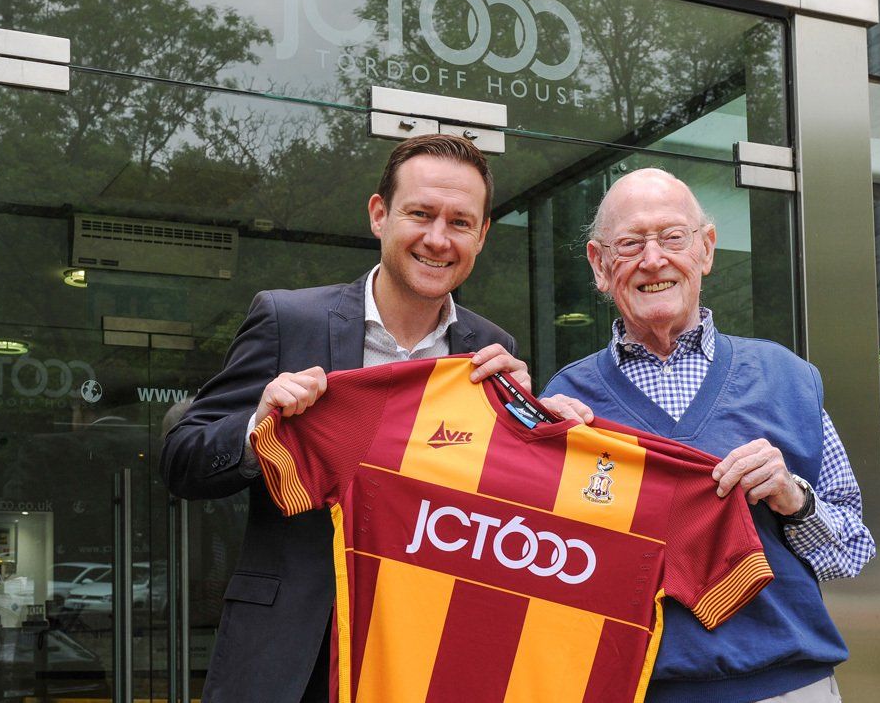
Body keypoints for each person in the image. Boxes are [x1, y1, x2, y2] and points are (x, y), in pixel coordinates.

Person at [161, 134, 583, 703]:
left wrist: (537, 431)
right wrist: (258, 426)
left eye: (460, 222)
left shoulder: (491, 350)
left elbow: (501, 517)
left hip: (426, 654)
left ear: (482, 236)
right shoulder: (288, 318)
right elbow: (181, 461)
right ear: (379, 214)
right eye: (420, 214)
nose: (437, 239)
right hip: (293, 653)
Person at [542, 168, 875, 703]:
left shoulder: (787, 377)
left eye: (673, 238)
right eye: (629, 244)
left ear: (706, 251)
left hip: (788, 688)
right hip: (631, 689)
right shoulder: (567, 399)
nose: (653, 260)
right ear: (600, 266)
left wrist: (794, 498)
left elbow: (852, 553)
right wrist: (544, 462)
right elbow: (549, 563)